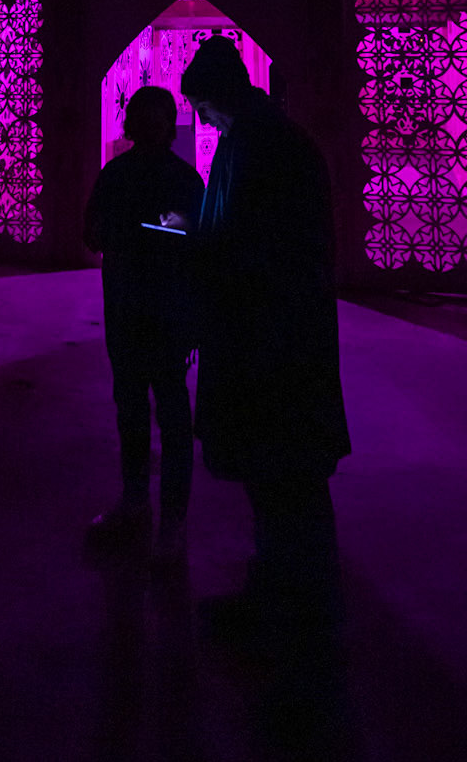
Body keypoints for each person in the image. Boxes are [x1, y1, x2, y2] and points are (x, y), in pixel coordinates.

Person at [179, 36, 350, 647]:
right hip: (272, 328)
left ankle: (292, 613)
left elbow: (255, 246)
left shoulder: (261, 145)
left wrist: (203, 259)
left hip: (270, 336)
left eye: (202, 107)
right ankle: (288, 597)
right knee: (282, 473)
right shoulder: (260, 139)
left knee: (281, 471)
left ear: (219, 95)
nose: (201, 120)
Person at [83, 84, 206, 563]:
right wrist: (150, 227)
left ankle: (154, 511)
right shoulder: (178, 178)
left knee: (152, 411)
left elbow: (101, 233)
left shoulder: (123, 176)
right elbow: (98, 231)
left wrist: (132, 229)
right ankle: (152, 510)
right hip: (149, 310)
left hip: (144, 309)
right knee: (148, 410)